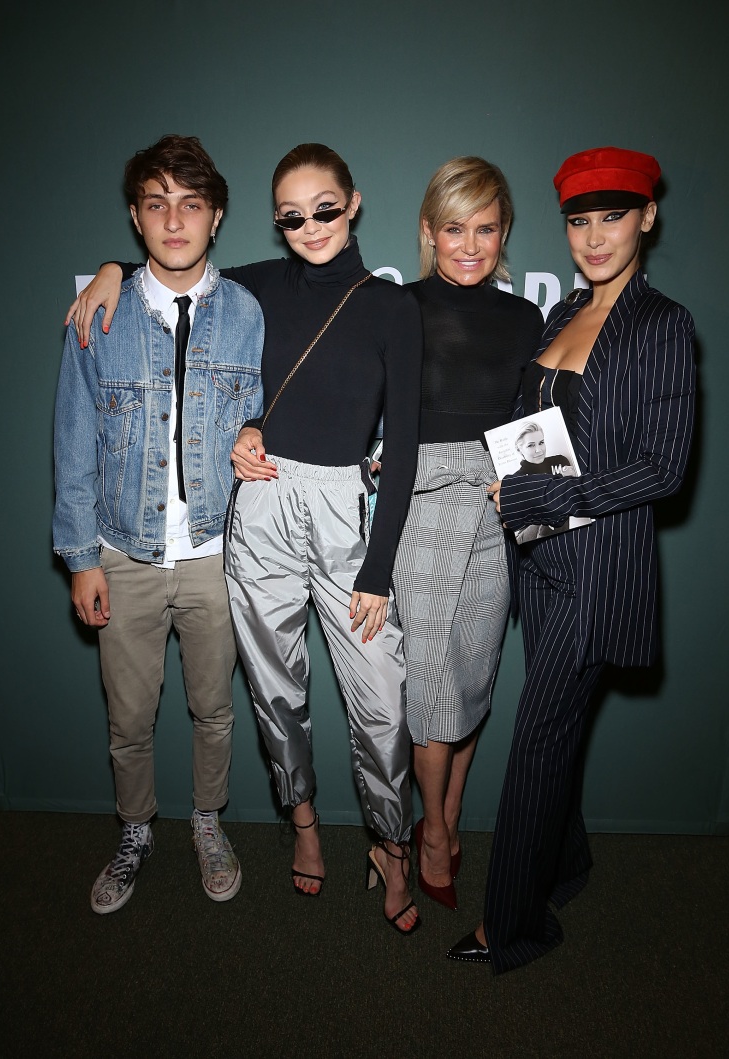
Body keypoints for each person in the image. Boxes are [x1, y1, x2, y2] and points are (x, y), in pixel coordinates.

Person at [64, 143, 424, 934]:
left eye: (325, 208)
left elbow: (405, 447)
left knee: (381, 702)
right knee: (272, 692)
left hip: (345, 515)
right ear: (274, 221)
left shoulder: (394, 306)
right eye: (292, 215)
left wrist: (380, 563)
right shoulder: (257, 286)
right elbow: (172, 260)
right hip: (257, 507)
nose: (310, 226)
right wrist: (110, 268)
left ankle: (393, 845)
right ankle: (303, 827)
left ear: (354, 203)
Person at [447, 146, 696, 971]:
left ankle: (511, 925)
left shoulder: (662, 325)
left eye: (613, 217)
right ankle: (568, 864)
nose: (593, 238)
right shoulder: (561, 317)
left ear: (647, 217)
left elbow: (663, 467)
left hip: (596, 572)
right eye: (580, 221)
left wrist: (538, 499)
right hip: (538, 565)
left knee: (538, 742)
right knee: (559, 734)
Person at [54, 135, 264, 914]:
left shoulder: (248, 314)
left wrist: (261, 428)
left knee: (215, 707)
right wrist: (81, 557)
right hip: (124, 551)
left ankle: (207, 819)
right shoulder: (98, 317)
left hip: (218, 555)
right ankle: (135, 829)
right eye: (156, 203)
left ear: (216, 217)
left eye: (191, 203)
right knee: (128, 717)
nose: (174, 220)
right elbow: (73, 441)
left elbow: (275, 408)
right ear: (136, 218)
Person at [391, 158, 543, 910]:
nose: (471, 244)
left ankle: (442, 816)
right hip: (420, 501)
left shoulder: (524, 319)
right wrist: (117, 268)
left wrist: (527, 497)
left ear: (503, 232)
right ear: (429, 231)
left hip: (495, 502)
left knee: (474, 677)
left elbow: (533, 425)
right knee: (433, 689)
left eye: (485, 228)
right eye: (454, 228)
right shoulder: (397, 306)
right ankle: (435, 835)